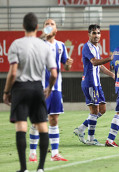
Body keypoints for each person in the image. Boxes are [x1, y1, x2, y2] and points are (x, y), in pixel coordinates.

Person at [3, 12, 57, 172]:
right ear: (37, 27)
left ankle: (24, 168)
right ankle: (40, 168)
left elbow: (13, 73)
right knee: (42, 127)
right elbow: (54, 73)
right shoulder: (44, 46)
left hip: (20, 88)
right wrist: (50, 87)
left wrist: (6, 92)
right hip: (37, 88)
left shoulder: (16, 45)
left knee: (21, 127)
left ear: (23, 26)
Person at [28, 18, 73, 162]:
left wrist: (68, 64)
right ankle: (32, 153)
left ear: (56, 29)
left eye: (51, 24)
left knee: (53, 119)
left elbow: (65, 67)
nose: (49, 26)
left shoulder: (61, 46)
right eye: (46, 24)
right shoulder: (38, 44)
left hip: (56, 89)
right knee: (37, 121)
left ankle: (54, 154)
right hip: (40, 88)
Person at [73, 24, 115, 146]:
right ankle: (91, 139)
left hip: (96, 83)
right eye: (94, 33)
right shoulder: (87, 47)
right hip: (90, 83)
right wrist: (109, 58)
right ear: (89, 34)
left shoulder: (96, 47)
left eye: (98, 33)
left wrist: (112, 75)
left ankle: (81, 129)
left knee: (102, 109)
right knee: (94, 110)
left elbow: (100, 66)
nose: (96, 35)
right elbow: (95, 62)